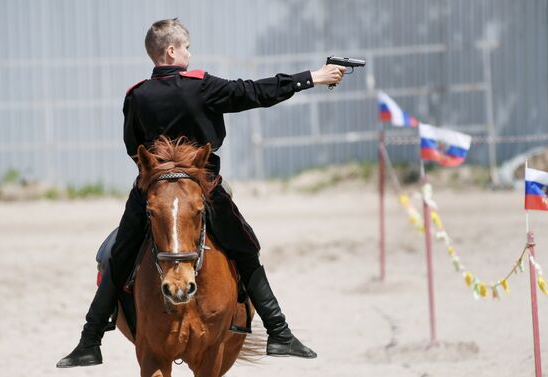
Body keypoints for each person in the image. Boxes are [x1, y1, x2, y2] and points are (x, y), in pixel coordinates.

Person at [57, 18, 345, 368]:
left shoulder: (136, 96)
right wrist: (312, 77)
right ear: (172, 50)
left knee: (119, 255)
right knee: (244, 247)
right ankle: (280, 332)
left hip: (154, 185)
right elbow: (254, 92)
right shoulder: (201, 86)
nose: (190, 54)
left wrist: (158, 173)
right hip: (202, 185)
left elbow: (132, 145)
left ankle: (89, 340)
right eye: (187, 47)